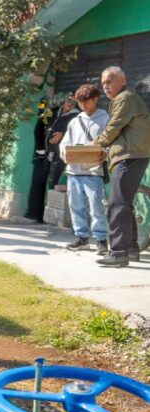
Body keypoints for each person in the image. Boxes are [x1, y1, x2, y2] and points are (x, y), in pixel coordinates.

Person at [92, 66, 150, 267]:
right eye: (103, 83)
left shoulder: (125, 98)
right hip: (132, 154)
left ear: (122, 81)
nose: (106, 86)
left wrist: (95, 143)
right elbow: (122, 133)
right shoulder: (124, 100)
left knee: (117, 204)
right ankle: (131, 249)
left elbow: (114, 127)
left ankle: (118, 253)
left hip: (130, 156)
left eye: (110, 81)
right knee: (125, 203)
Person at [59, 84, 109, 255]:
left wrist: (105, 153)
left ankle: (101, 240)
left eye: (87, 102)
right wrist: (64, 154)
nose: (83, 106)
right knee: (76, 206)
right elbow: (65, 143)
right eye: (80, 103)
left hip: (94, 171)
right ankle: (82, 238)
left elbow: (111, 142)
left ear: (96, 99)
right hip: (73, 171)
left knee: (96, 206)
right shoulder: (75, 121)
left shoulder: (105, 119)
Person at [24, 99, 57, 222]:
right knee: (37, 185)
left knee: (40, 185)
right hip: (40, 156)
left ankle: (35, 214)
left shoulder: (53, 118)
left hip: (47, 156)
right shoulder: (44, 118)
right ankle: (34, 214)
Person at [45, 95, 79, 189]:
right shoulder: (54, 111)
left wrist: (62, 134)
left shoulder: (76, 116)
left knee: (53, 178)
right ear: (64, 101)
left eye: (74, 103)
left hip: (59, 151)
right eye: (69, 101)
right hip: (47, 149)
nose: (70, 104)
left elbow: (76, 133)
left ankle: (52, 196)